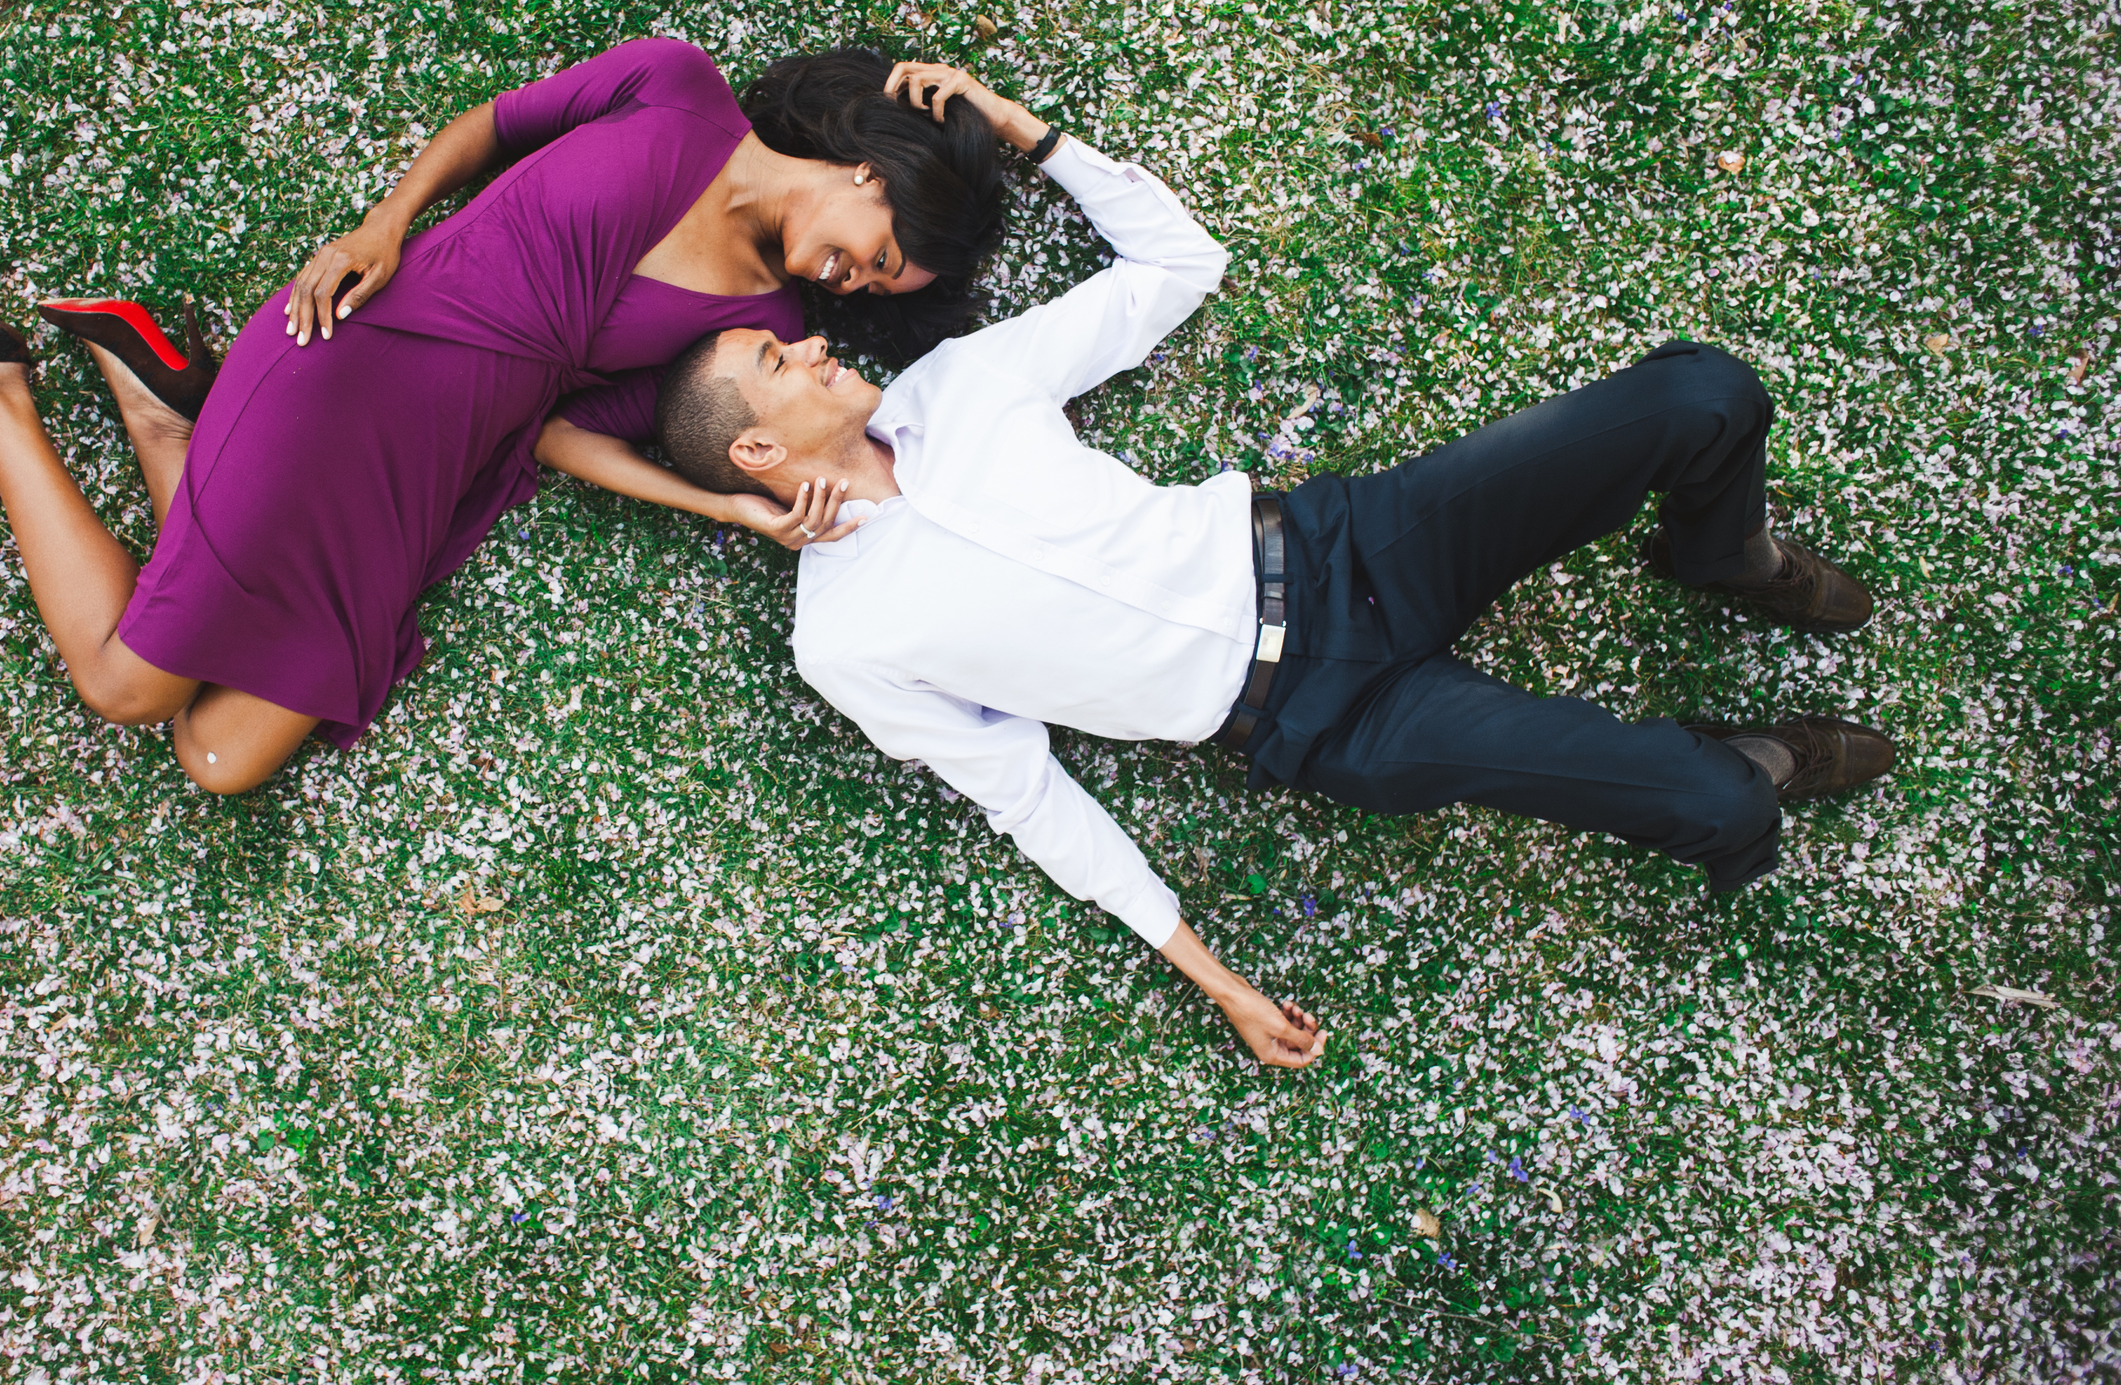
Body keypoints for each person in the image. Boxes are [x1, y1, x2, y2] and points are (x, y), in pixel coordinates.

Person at [654, 65, 1897, 1070]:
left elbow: (1178, 267)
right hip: (1327, 718)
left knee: (1704, 392)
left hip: (1346, 543)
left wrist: (1035, 138)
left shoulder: (957, 386)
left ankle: (1718, 550)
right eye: (781, 364)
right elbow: (1025, 794)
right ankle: (1733, 760)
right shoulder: (844, 639)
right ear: (757, 448)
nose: (815, 342)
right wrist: (1217, 979)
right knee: (1728, 807)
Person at [0, 40, 1003, 794]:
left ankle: (170, 414)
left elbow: (558, 435)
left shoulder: (754, 319)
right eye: (876, 253)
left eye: (868, 289)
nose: (845, 284)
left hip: (422, 482)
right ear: (867, 173)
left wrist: (722, 502)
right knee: (129, 688)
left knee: (218, 757)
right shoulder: (675, 85)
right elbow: (501, 125)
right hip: (348, 360)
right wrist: (383, 224)